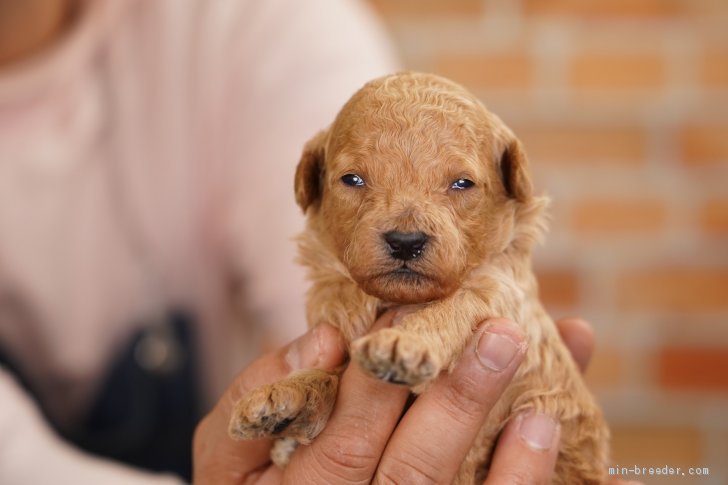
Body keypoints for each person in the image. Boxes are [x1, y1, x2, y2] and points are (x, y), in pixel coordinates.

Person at [0, 1, 633, 483]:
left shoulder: (257, 22)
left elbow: (339, 338)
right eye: (356, 180)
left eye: (461, 185)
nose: (407, 226)